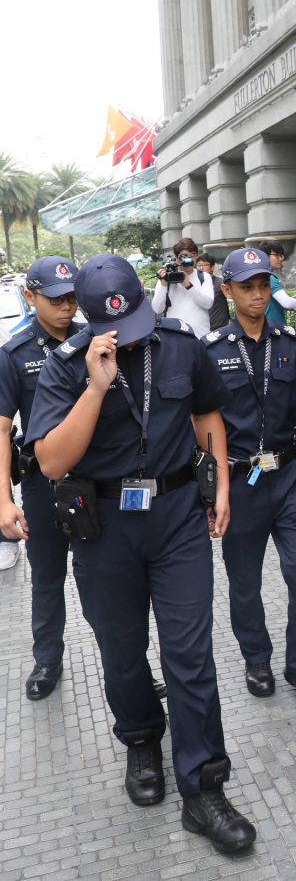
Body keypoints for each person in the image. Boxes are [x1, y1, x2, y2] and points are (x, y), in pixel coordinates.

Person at [25, 254, 255, 854]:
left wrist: (221, 485)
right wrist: (96, 388)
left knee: (190, 654)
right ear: (87, 317)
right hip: (103, 528)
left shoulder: (179, 345)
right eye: (112, 333)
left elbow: (207, 413)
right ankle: (141, 739)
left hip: (178, 516)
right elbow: (51, 460)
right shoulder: (65, 366)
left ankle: (203, 787)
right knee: (122, 652)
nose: (125, 343)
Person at [202, 248, 296, 713]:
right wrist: (214, 490)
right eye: (247, 286)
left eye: (263, 285)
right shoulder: (211, 350)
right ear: (227, 290)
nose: (258, 294)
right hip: (241, 485)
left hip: (289, 478)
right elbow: (204, 421)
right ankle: (257, 659)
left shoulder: (290, 343)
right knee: (244, 582)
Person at [0, 258, 81, 696]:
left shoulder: (95, 341)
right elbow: (0, 429)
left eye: (72, 297)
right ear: (29, 297)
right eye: (56, 299)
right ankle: (47, 660)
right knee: (47, 577)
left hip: (96, 485)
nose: (67, 307)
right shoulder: (14, 354)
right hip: (41, 485)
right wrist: (3, 500)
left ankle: (127, 662)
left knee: (110, 578)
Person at [152, 237, 213, 338]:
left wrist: (189, 286)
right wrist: (164, 285)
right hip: (175, 339)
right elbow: (157, 309)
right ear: (176, 257)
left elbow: (208, 304)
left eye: (193, 255)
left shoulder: (203, 276)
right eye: (184, 256)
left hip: (200, 338)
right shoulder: (167, 276)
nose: (189, 259)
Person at [259, 239, 296, 323]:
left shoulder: (260, 276)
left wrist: (291, 300)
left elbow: (271, 302)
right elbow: (287, 303)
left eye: (281, 255)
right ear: (265, 256)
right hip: (273, 330)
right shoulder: (270, 278)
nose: (280, 259)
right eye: (276, 255)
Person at [196, 252, 230, 330]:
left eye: (205, 265)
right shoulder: (193, 285)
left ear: (212, 267)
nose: (201, 268)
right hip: (201, 329)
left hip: (219, 329)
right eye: (199, 265)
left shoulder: (221, 284)